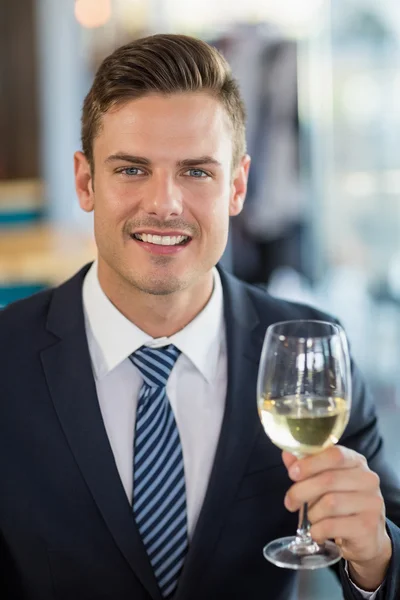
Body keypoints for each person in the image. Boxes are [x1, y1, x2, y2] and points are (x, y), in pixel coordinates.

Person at [0, 34, 399, 600]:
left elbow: (388, 554)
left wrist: (376, 559)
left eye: (196, 172)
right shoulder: (4, 361)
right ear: (86, 181)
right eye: (132, 170)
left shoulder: (314, 358)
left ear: (237, 186)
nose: (164, 203)